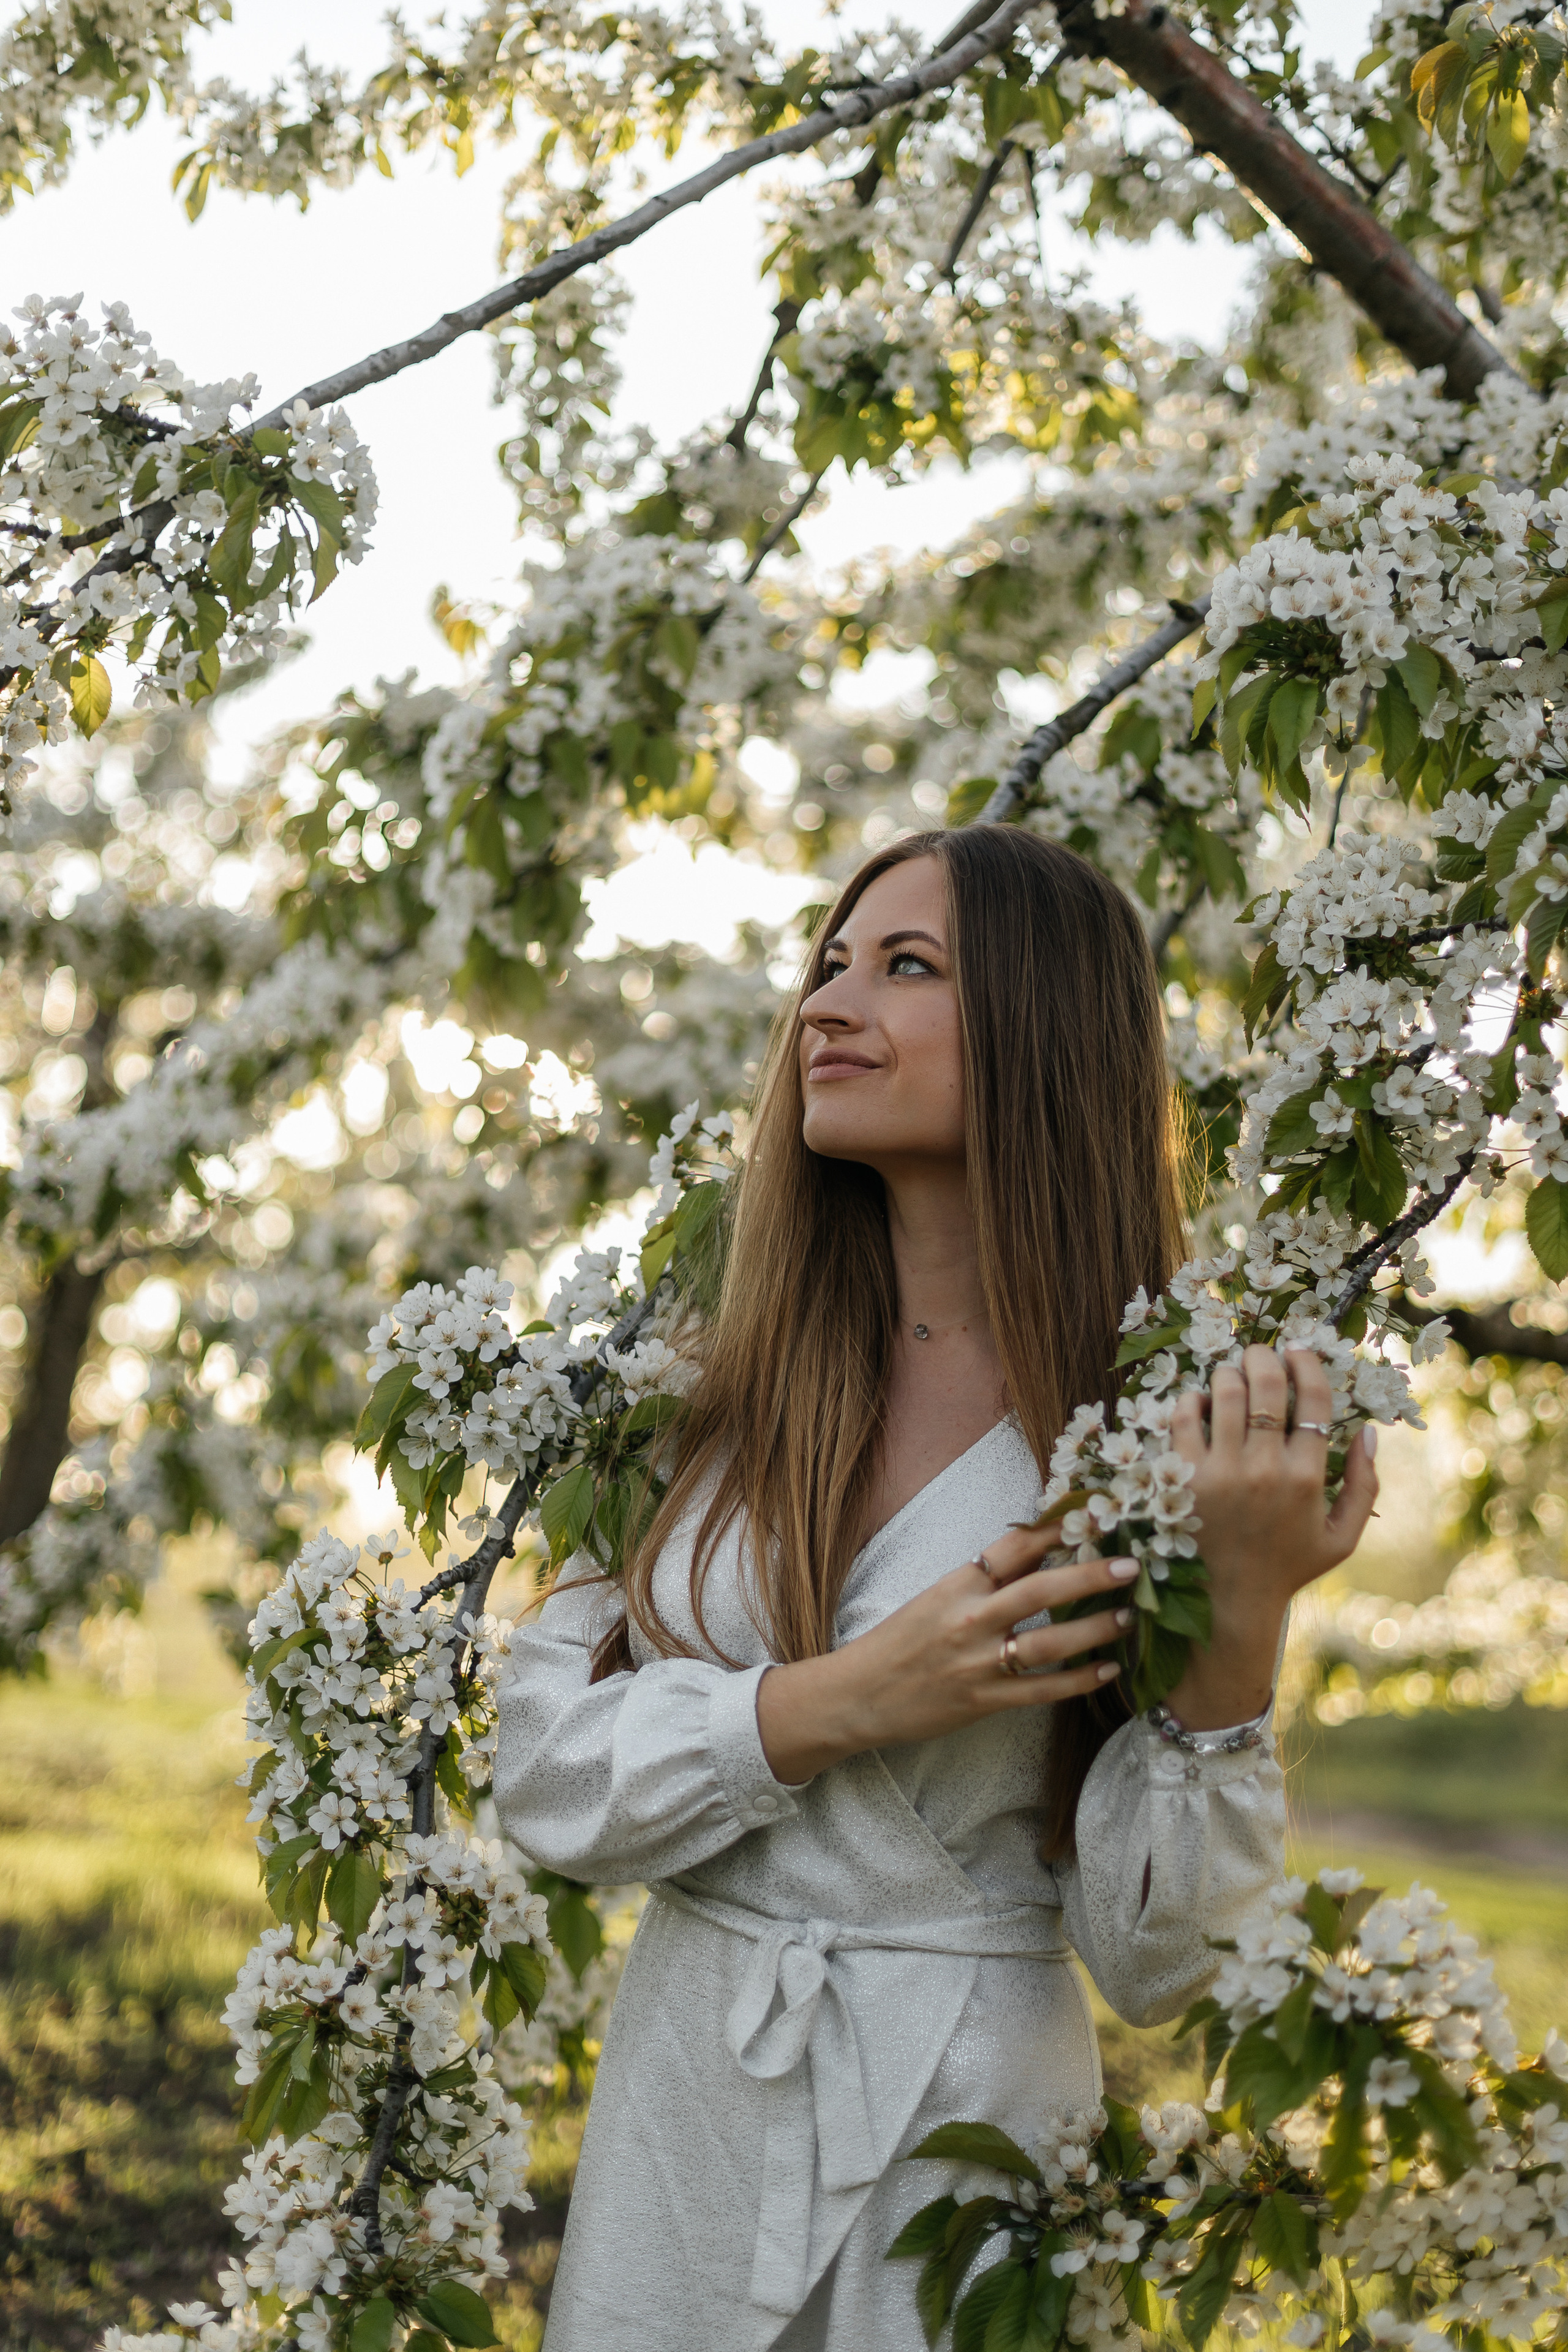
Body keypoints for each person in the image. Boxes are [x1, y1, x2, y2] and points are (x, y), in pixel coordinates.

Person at [494, 827, 1378, 2351]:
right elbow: (548, 1778)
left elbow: (1163, 1962)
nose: (828, 1007)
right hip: (693, 2099)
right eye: (828, 966)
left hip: (965, 2132)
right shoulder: (694, 1391)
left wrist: (1240, 1618)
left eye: (905, 968)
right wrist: (837, 1703)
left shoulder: (1155, 1425)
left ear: (1045, 1031)